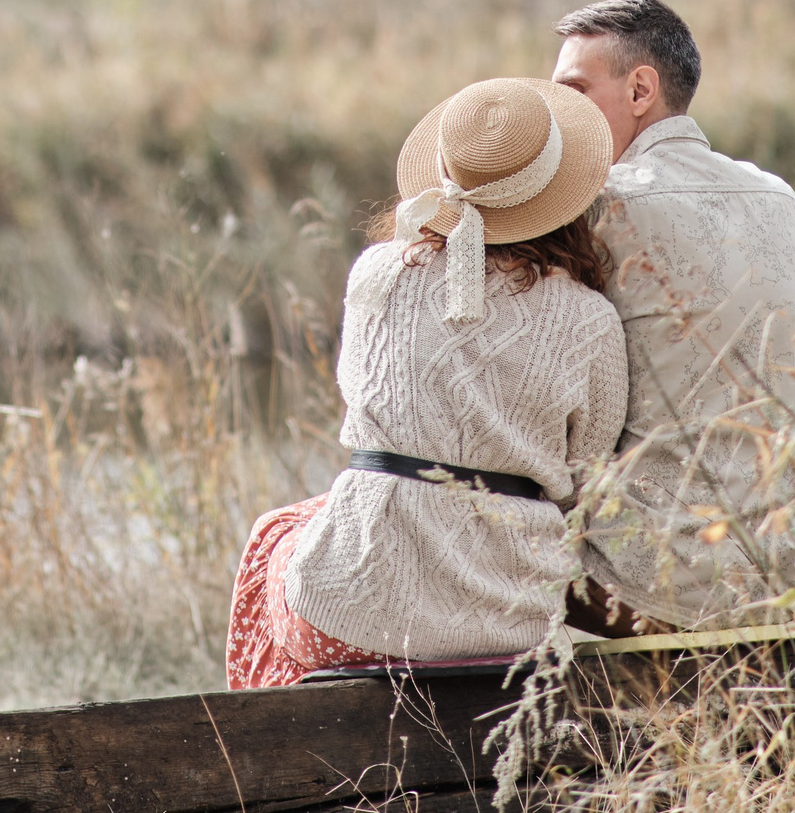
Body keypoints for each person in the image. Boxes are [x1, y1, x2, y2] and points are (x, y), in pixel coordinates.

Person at [226, 76, 625, 688]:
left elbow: (362, 409)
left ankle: (282, 764)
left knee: (275, 536)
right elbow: (587, 477)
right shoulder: (589, 318)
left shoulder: (378, 274)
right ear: (561, 194)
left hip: (351, 615)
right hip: (510, 625)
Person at [549, 0, 795, 630]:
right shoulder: (782, 199)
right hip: (789, 561)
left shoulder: (599, 206)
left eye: (574, 92)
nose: (560, 116)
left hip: (652, 581)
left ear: (641, 89)